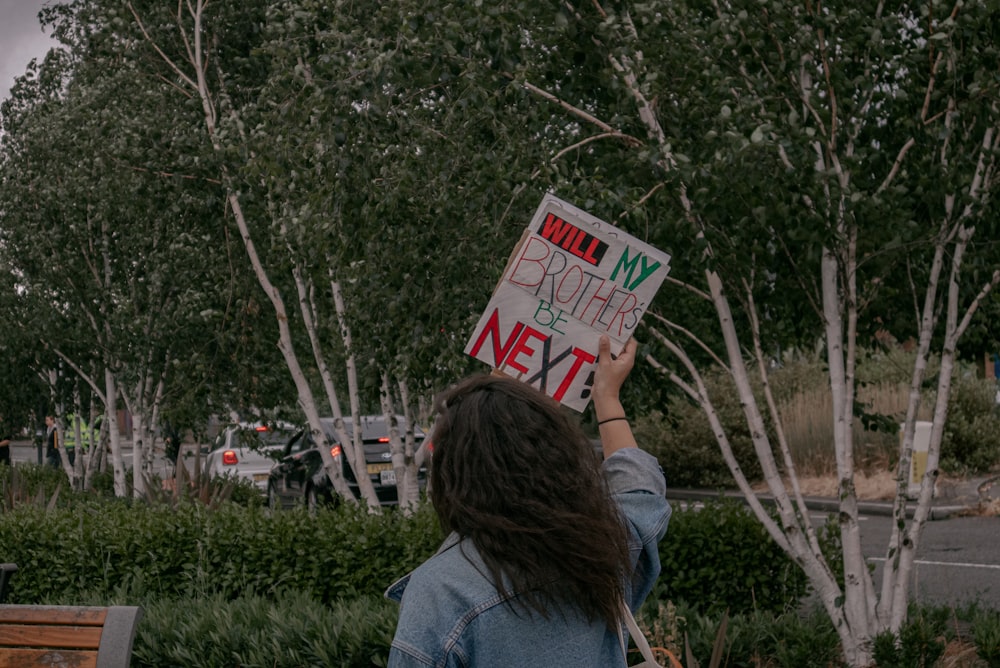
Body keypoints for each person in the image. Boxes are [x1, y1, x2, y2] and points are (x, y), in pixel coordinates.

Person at [385, 336, 671, 667]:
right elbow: (639, 489)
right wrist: (607, 398)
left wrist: (492, 408)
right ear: (561, 457)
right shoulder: (598, 549)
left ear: (451, 472)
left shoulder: (441, 592)